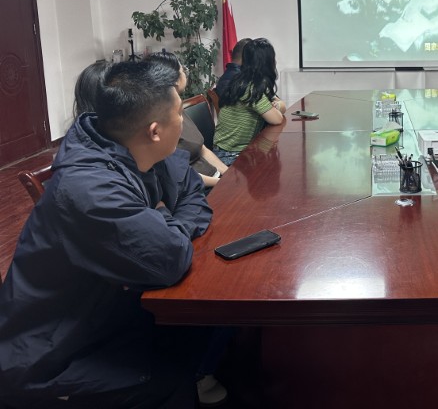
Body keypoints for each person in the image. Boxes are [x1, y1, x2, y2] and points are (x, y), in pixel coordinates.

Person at [0, 61, 215, 408]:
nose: (183, 122)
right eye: (179, 113)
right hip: (51, 355)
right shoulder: (89, 189)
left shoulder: (136, 146)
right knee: (173, 372)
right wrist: (167, 222)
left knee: (203, 331)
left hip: (107, 311)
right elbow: (170, 258)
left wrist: (164, 222)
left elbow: (192, 190)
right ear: (155, 130)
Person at [144, 51, 229, 189]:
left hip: (214, 178)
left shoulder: (177, 106)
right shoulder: (160, 120)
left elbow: (202, 149)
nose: (185, 73)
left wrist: (228, 174)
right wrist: (221, 183)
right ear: (175, 80)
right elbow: (181, 175)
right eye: (183, 70)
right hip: (196, 189)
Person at [214, 37, 287, 165]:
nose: (275, 62)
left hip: (236, 150)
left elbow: (281, 105)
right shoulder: (250, 88)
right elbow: (277, 119)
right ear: (266, 63)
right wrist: (275, 107)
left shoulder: (246, 82)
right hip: (230, 155)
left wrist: (276, 105)